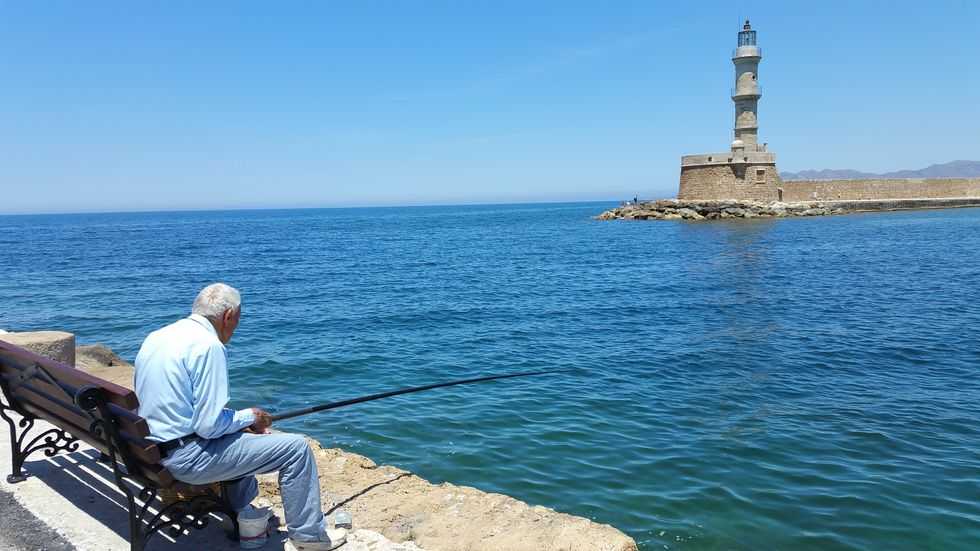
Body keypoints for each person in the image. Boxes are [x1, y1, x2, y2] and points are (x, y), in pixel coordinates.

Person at [134, 283, 346, 551]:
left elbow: (183, 411)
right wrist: (250, 416)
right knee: (297, 449)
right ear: (228, 316)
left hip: (148, 449)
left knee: (238, 432)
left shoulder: (158, 336)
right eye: (238, 319)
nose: (236, 327)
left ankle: (240, 515)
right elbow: (208, 426)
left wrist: (243, 421)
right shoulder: (208, 346)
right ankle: (309, 537)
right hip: (186, 459)